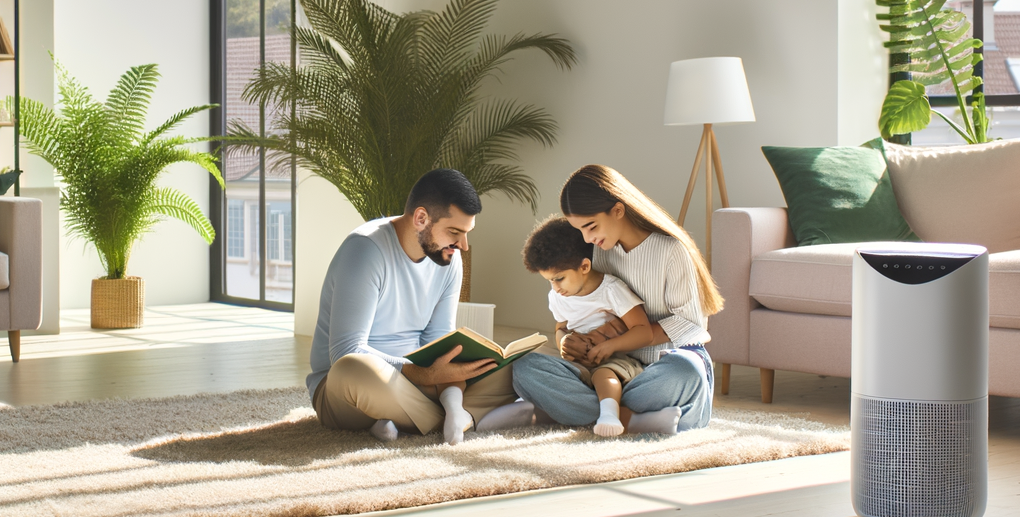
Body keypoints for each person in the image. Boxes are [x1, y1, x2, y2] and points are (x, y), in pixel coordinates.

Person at [308, 168, 520, 444]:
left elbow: (439, 341)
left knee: (510, 369)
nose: (463, 245)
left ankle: (424, 417)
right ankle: (457, 419)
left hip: (420, 383)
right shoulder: (364, 250)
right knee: (353, 369)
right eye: (455, 231)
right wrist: (420, 373)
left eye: (467, 233)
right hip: (347, 389)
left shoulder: (449, 259)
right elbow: (345, 351)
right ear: (421, 218)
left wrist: (448, 390)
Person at [507, 164, 721, 434]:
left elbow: (690, 323)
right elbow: (575, 314)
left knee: (687, 370)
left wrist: (619, 336)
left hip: (660, 367)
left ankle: (596, 413)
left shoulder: (671, 251)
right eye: (580, 230)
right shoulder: (595, 251)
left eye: (591, 226)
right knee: (525, 368)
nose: (586, 238)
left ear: (618, 211)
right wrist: (569, 342)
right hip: (606, 369)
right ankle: (633, 419)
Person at [522, 216, 663, 436]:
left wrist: (610, 347)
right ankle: (621, 412)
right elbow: (561, 327)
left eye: (559, 278)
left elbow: (644, 331)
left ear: (584, 266)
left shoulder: (611, 290)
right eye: (549, 280)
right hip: (577, 362)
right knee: (527, 364)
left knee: (604, 375)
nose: (555, 287)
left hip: (612, 359)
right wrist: (564, 343)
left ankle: (609, 414)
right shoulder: (558, 296)